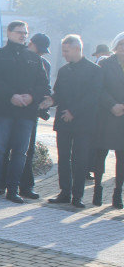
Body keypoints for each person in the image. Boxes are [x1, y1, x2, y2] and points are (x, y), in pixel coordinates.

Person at [0, 21, 50, 203]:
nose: (22, 35)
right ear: (9, 32)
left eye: (25, 33)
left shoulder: (34, 58)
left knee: (20, 153)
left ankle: (13, 190)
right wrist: (11, 95)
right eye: (19, 32)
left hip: (25, 113)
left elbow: (44, 85)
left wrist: (31, 96)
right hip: (2, 110)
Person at [46, 35, 102, 208]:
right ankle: (64, 192)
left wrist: (73, 111)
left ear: (77, 49)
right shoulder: (64, 70)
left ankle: (77, 196)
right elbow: (59, 93)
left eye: (66, 51)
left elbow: (93, 96)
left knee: (80, 159)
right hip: (63, 121)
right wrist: (51, 101)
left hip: (84, 123)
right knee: (63, 158)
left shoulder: (95, 70)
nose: (64, 54)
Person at [93, 33, 124, 208]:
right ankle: (97, 190)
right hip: (106, 115)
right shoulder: (105, 64)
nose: (123, 47)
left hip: (123, 117)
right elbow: (99, 88)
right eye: (121, 43)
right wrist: (112, 105)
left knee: (122, 157)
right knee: (100, 154)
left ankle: (117, 194)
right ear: (115, 45)